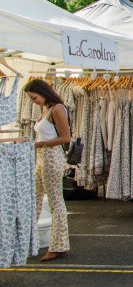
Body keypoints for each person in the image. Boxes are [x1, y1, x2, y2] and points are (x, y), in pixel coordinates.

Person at [24, 80, 72, 262]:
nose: (33, 101)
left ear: (42, 92)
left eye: (34, 97)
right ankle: (29, 240)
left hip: (51, 157)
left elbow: (66, 137)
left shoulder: (57, 109)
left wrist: (40, 144)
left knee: (55, 202)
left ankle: (59, 245)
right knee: (34, 198)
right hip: (43, 157)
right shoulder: (46, 108)